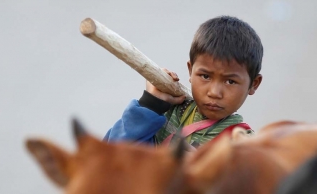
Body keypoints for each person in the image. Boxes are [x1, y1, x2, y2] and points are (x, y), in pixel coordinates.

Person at [104, 16, 263, 148]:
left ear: (254, 84)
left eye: (230, 81)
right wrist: (150, 105)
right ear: (190, 70)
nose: (214, 92)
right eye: (205, 76)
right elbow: (112, 153)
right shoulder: (169, 113)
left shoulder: (244, 145)